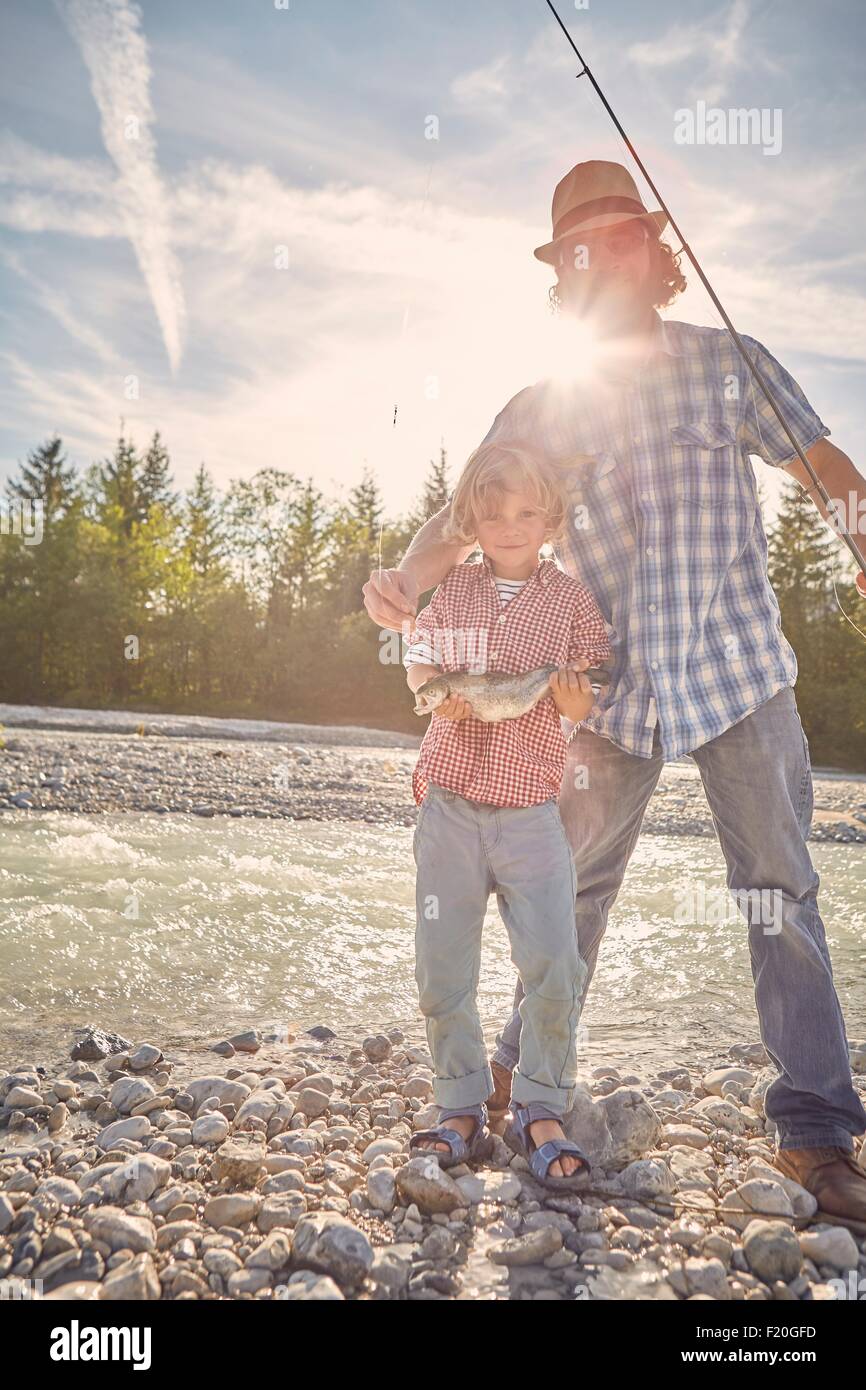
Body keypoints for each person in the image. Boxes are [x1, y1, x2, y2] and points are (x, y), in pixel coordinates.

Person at [366, 159, 866, 1227]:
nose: (600, 258)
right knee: (569, 893)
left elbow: (824, 466)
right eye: (576, 247)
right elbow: (456, 526)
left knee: (776, 894)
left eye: (618, 236)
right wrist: (405, 582)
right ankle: (510, 1082)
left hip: (737, 674)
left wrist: (862, 531)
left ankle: (816, 1132)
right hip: (597, 690)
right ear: (564, 272)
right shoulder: (541, 404)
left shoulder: (729, 361)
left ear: (654, 250)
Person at [404, 440, 611, 1186]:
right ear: (472, 522)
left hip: (530, 813)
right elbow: (419, 658)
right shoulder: (455, 588)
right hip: (450, 805)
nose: (511, 526)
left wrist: (574, 697)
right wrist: (436, 686)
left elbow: (587, 690)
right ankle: (460, 1106)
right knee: (442, 965)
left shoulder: (571, 601)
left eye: (527, 513)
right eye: (493, 516)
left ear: (550, 519)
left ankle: (539, 1104)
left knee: (556, 960)